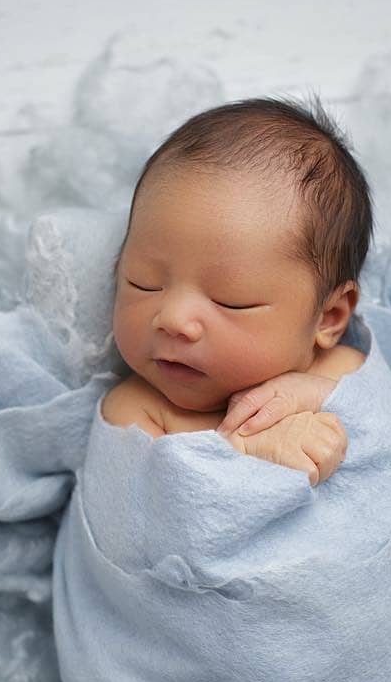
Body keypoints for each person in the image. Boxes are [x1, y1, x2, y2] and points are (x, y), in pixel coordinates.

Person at [100, 96, 372, 485]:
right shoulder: (135, 409)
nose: (173, 319)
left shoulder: (341, 370)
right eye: (143, 282)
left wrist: (308, 395)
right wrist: (240, 452)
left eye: (231, 300)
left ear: (328, 318)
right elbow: (146, 516)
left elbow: (387, 426)